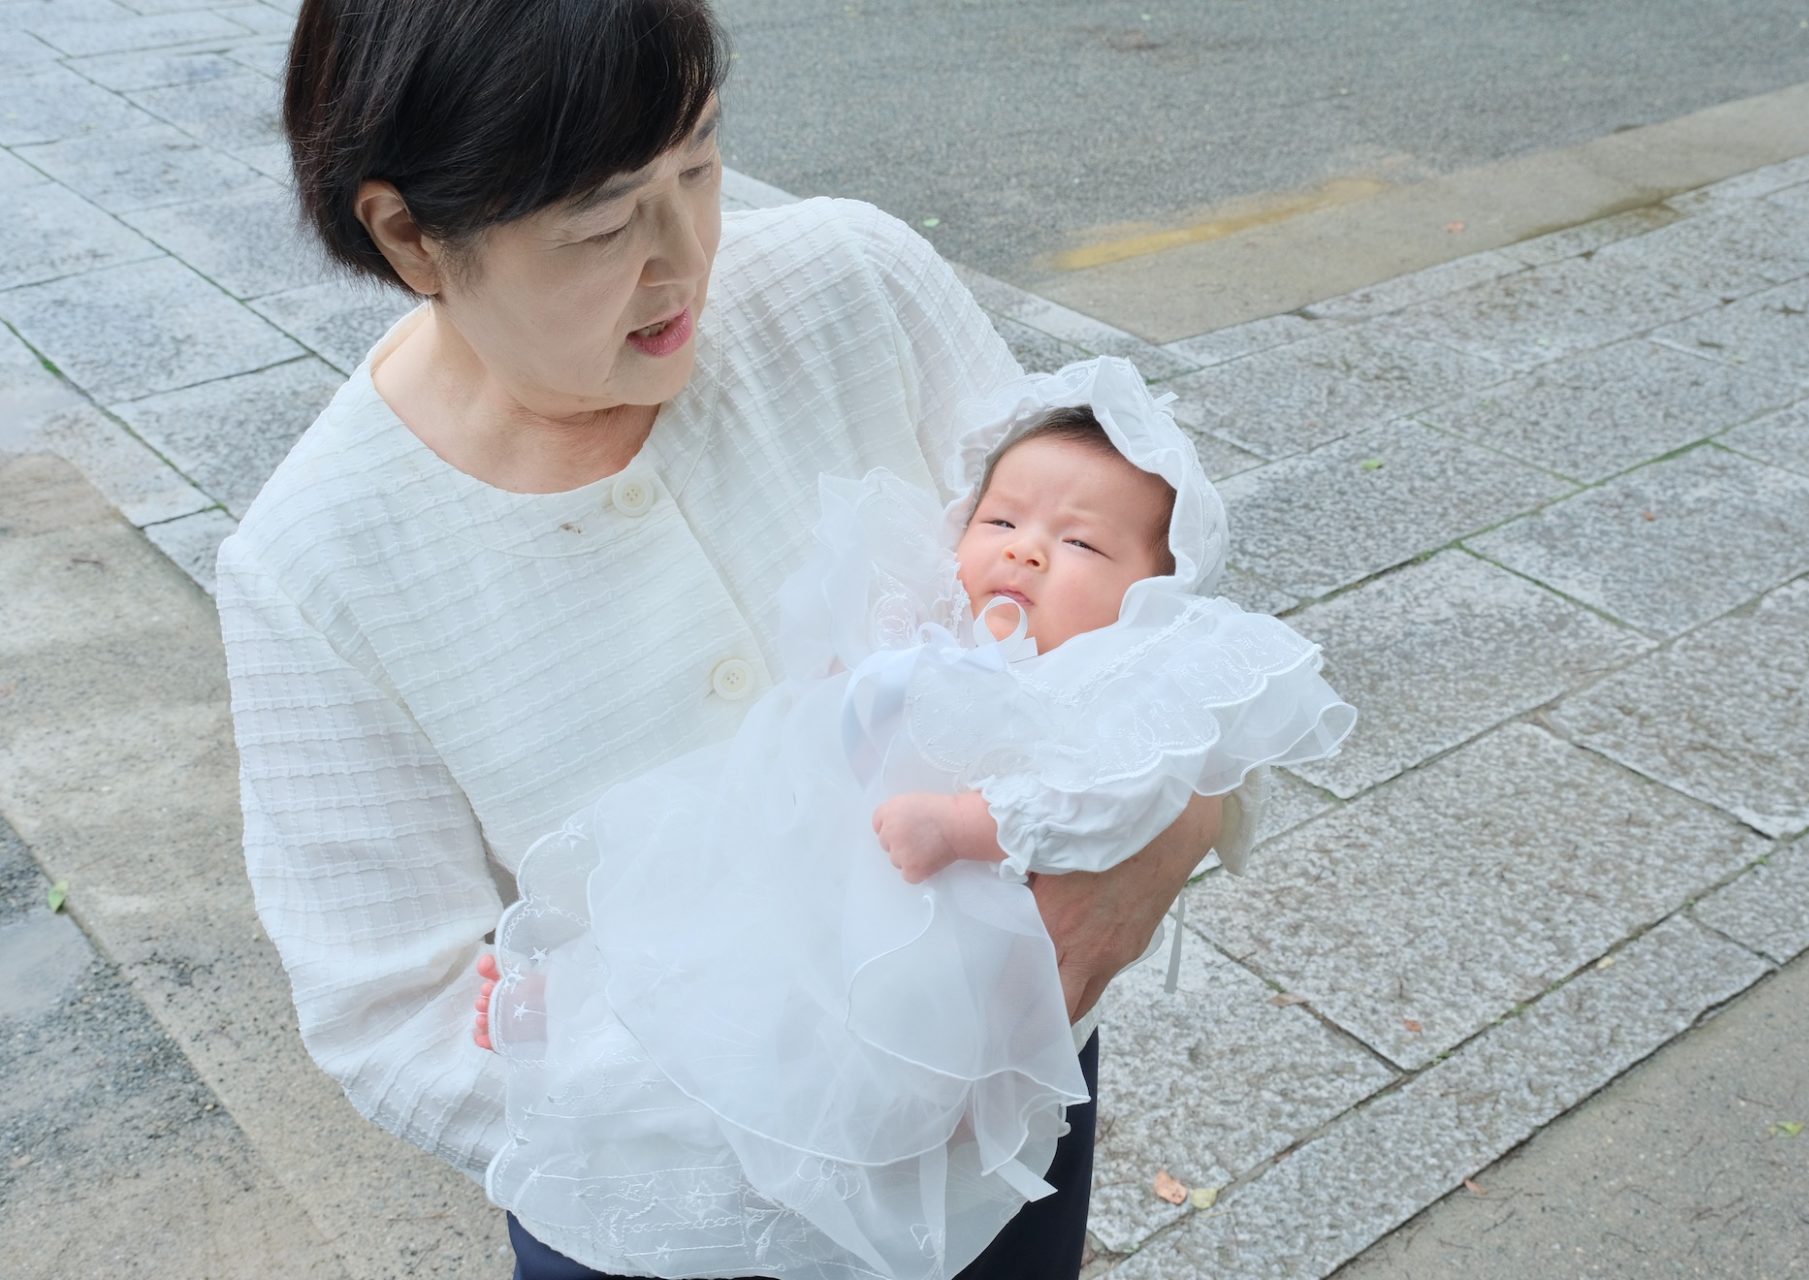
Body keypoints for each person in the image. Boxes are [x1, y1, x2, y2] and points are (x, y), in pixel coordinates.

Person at [221, 1, 1264, 1275]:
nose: (686, 258)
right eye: (605, 223)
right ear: (409, 233)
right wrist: (763, 1113)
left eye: (701, 163)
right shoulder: (314, 562)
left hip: (999, 1090)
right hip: (669, 1206)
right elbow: (394, 1008)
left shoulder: (857, 285)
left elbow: (1146, 603)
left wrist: (1177, 827)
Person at [480, 358, 1356, 1279]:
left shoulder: (1095, 691)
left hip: (942, 916)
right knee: (707, 943)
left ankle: (855, 1155)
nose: (1024, 551)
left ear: (1152, 596)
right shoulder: (937, 623)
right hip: (804, 858)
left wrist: (968, 825)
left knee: (853, 1053)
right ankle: (574, 1011)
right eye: (1002, 522)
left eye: (1083, 546)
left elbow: (1107, 803)